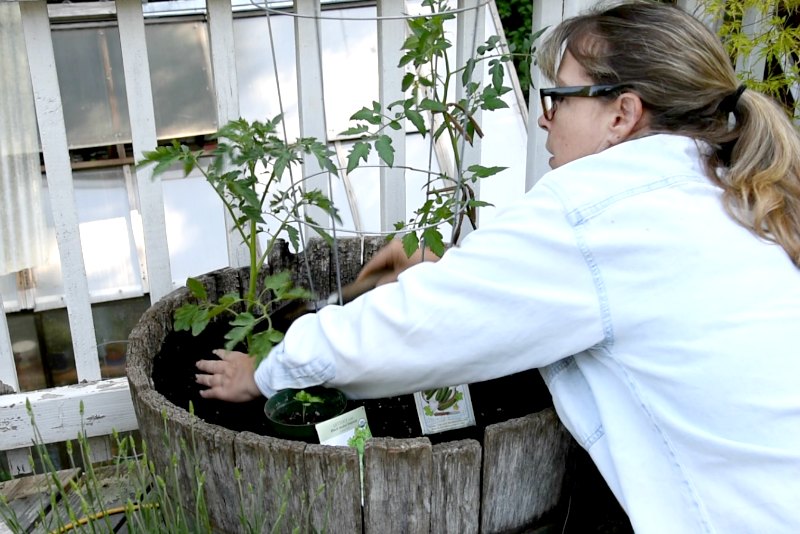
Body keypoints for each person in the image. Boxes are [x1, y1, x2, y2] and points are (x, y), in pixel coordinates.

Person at [195, 1, 800, 531]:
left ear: (621, 115)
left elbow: (410, 331)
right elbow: (570, 288)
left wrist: (273, 371)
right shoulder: (722, 187)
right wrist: (453, 265)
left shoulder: (599, 211)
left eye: (558, 98)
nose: (543, 116)